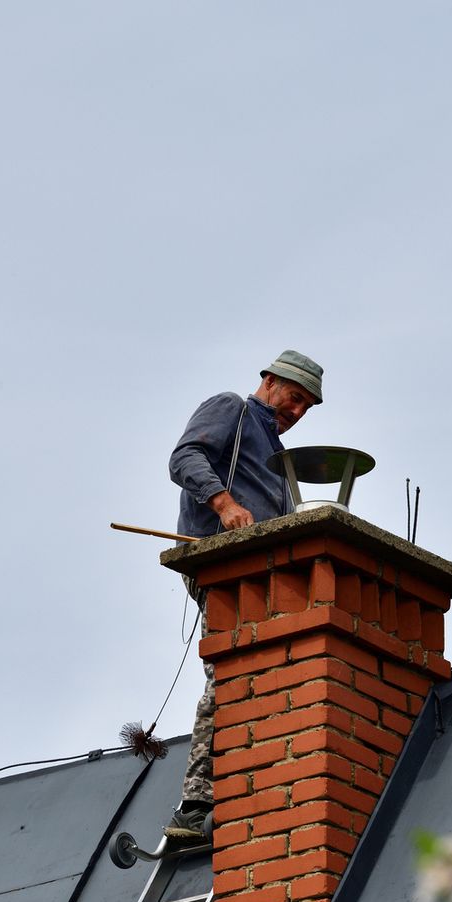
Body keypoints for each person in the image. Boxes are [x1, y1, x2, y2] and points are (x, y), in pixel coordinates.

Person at [163, 350, 324, 846]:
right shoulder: (231, 407)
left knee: (267, 664)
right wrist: (225, 503)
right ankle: (197, 803)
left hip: (265, 574)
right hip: (223, 564)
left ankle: (260, 773)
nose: (296, 411)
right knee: (232, 666)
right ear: (270, 381)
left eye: (307, 407)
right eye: (294, 397)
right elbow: (184, 457)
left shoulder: (279, 457)